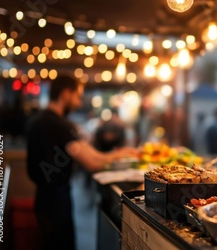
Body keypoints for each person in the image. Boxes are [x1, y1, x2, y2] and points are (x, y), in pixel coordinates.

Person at [26, 75, 137, 250]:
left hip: (42, 198)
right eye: (77, 96)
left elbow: (92, 155)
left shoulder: (37, 121)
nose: (78, 103)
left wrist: (118, 154)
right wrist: (120, 155)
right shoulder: (60, 125)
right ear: (65, 94)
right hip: (56, 200)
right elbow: (92, 161)